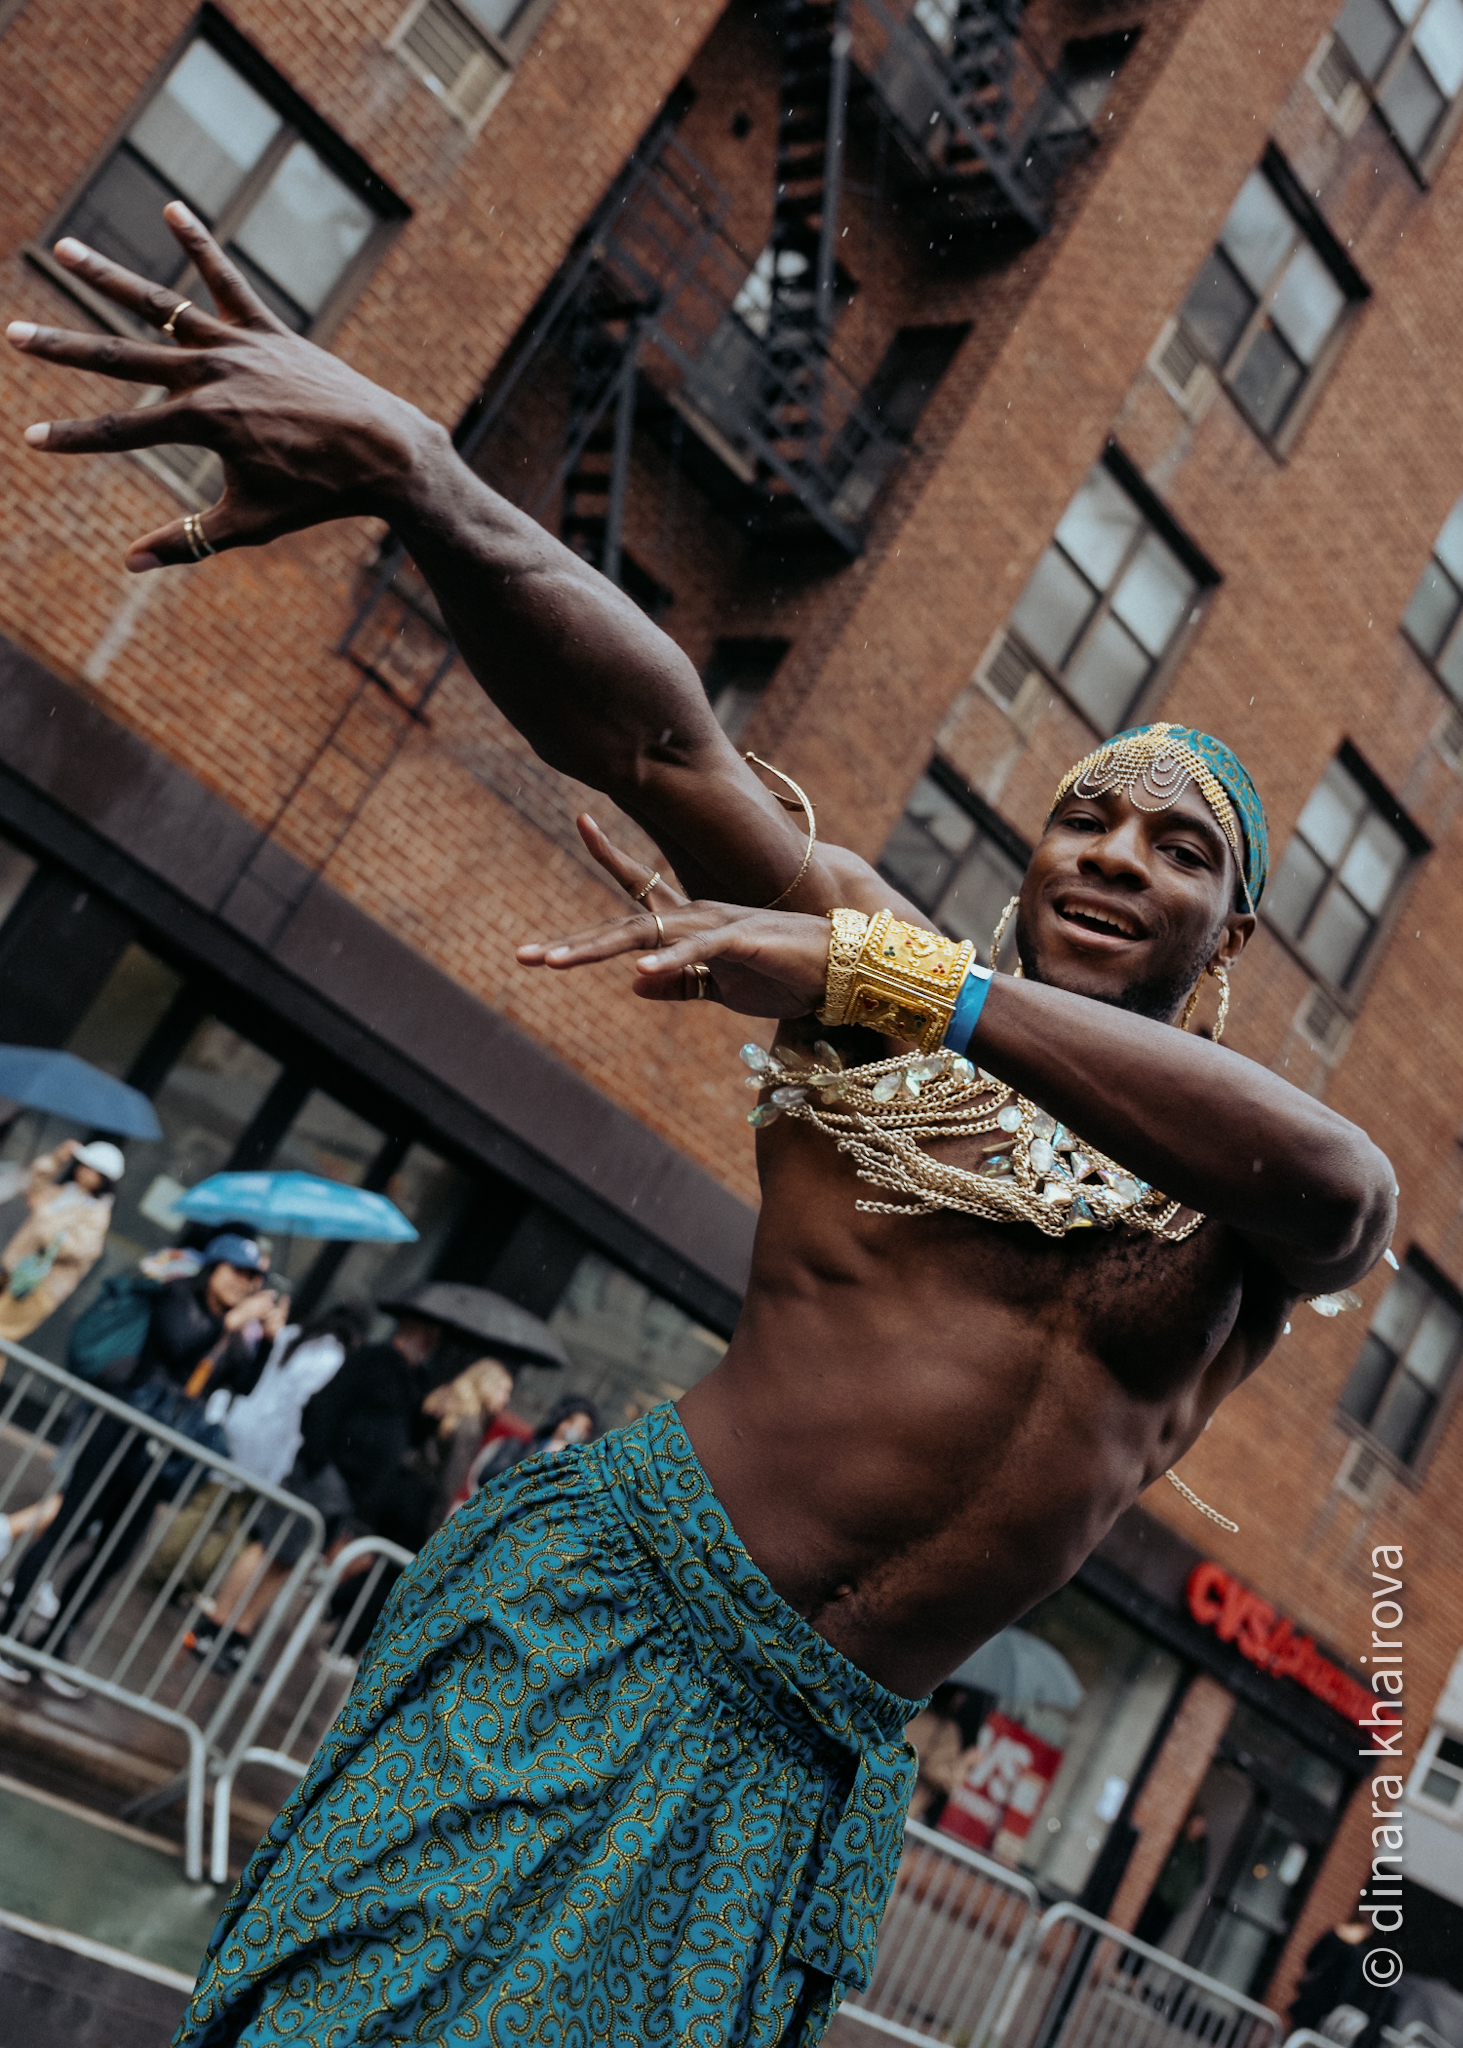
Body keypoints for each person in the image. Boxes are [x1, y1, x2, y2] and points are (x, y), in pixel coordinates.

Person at [6, 212, 1397, 2048]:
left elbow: (1342, 1190)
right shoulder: (861, 970)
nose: (1113, 857)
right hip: (612, 1610)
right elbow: (655, 746)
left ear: (1229, 934)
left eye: (1176, 847)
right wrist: (422, 480)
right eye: (1085, 818)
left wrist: (903, 979)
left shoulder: (1176, 1146)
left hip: (801, 1762)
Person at [0, 1232, 280, 1695]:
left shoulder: (235, 1329)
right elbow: (178, 1346)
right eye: (237, 1271)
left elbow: (243, 1384)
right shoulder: (177, 1295)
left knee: (115, 1552)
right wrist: (230, 1323)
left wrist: (266, 1341)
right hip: (119, 1432)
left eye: (254, 1277)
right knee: (68, 1527)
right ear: (213, 1267)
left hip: (161, 1452)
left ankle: (54, 1642)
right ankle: (9, 1631)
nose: (244, 1283)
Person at [0, 1138, 124, 1342]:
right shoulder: (68, 1192)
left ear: (103, 1179)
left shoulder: (97, 1214)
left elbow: (69, 1249)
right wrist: (57, 1158)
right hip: (15, 1270)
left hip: (38, 1287)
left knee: (2, 1335)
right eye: (83, 1165)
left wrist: (44, 1214)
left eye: (91, 1169)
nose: (82, 1170)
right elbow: (34, 1185)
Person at [472, 1391, 599, 1487]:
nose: (575, 1431)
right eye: (571, 1422)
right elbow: (487, 1480)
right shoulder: (516, 1447)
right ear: (559, 1420)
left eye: (583, 1429)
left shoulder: (575, 1474)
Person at [1133, 1810, 1209, 1952]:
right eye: (1195, 1825)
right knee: (1140, 1932)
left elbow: (1200, 1878)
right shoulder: (1177, 1843)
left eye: (1200, 1827)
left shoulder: (1199, 1854)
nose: (1196, 1829)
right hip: (1159, 1895)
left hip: (1174, 1903)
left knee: (1153, 1940)